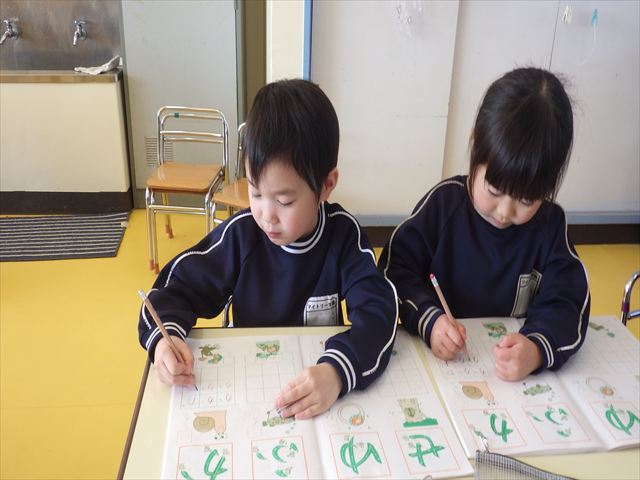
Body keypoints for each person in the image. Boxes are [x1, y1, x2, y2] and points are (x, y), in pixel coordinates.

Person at [139, 79, 398, 419]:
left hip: (317, 388)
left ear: (326, 185)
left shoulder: (343, 237)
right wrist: (165, 340)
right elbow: (174, 290)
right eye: (256, 193)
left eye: (284, 201)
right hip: (247, 388)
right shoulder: (242, 235)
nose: (266, 215)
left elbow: (380, 313)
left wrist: (338, 370)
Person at [379, 67, 590, 381]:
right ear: (476, 143)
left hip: (507, 384)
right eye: (494, 190)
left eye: (526, 199)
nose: (504, 212)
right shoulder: (444, 206)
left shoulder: (550, 228)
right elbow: (394, 270)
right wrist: (430, 320)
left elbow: (568, 303)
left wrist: (536, 348)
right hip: (440, 371)